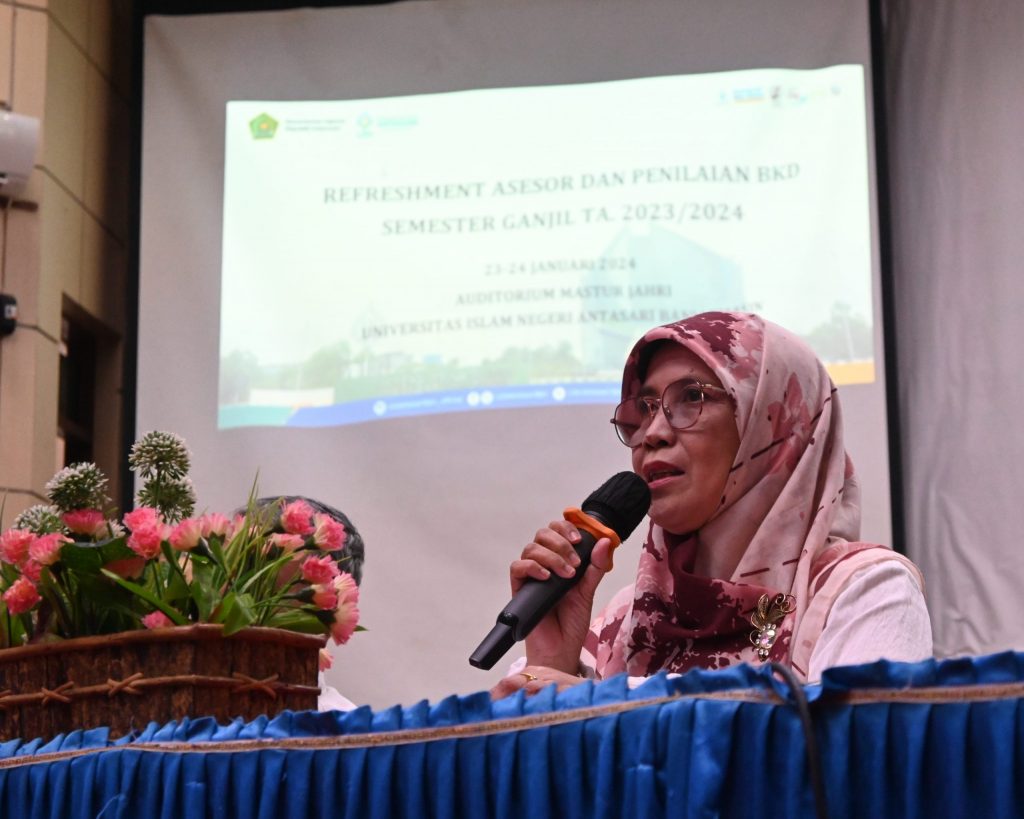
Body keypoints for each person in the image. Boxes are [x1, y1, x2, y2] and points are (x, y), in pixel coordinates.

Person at [491, 311, 932, 699]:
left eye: (693, 398)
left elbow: (854, 760)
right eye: (644, 408)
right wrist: (555, 659)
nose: (653, 433)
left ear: (775, 425)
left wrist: (604, 705)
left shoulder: (861, 590)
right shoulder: (623, 621)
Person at [245, 495, 366, 711]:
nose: (241, 610)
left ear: (329, 621)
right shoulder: (180, 714)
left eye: (271, 595)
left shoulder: (343, 731)